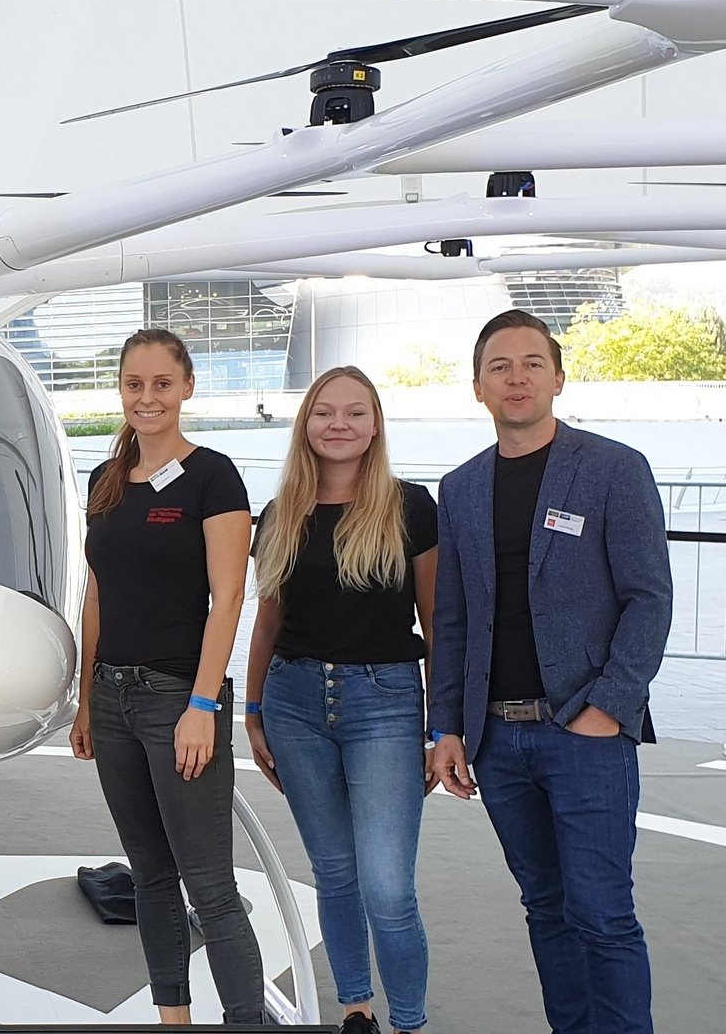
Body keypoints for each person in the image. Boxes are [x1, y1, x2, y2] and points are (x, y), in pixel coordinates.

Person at [427, 309, 673, 1034]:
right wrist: (447, 727)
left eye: (532, 363)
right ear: (477, 386)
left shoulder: (613, 470)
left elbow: (649, 599)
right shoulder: (461, 487)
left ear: (558, 377)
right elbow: (452, 621)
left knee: (601, 912)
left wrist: (609, 707)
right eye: (499, 366)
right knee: (546, 907)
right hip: (497, 742)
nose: (517, 377)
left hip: (585, 732)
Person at [68, 327, 262, 1025]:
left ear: (186, 389)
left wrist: (203, 705)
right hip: (114, 700)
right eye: (133, 384)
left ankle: (244, 1021)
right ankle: (172, 1018)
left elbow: (230, 598)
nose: (146, 398)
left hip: (179, 697)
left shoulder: (215, 476)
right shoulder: (105, 480)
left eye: (160, 384)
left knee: (210, 886)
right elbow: (96, 595)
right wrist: (86, 698)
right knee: (150, 877)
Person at [244, 367, 436, 1034]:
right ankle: (356, 1007)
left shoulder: (411, 507)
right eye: (325, 412)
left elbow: (437, 624)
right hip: (294, 700)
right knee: (334, 871)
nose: (339, 424)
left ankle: (409, 1021)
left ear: (376, 424)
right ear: (306, 424)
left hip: (385, 701)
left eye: (355, 412)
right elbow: (267, 621)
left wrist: (442, 729)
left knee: (388, 888)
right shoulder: (280, 513)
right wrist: (253, 710)